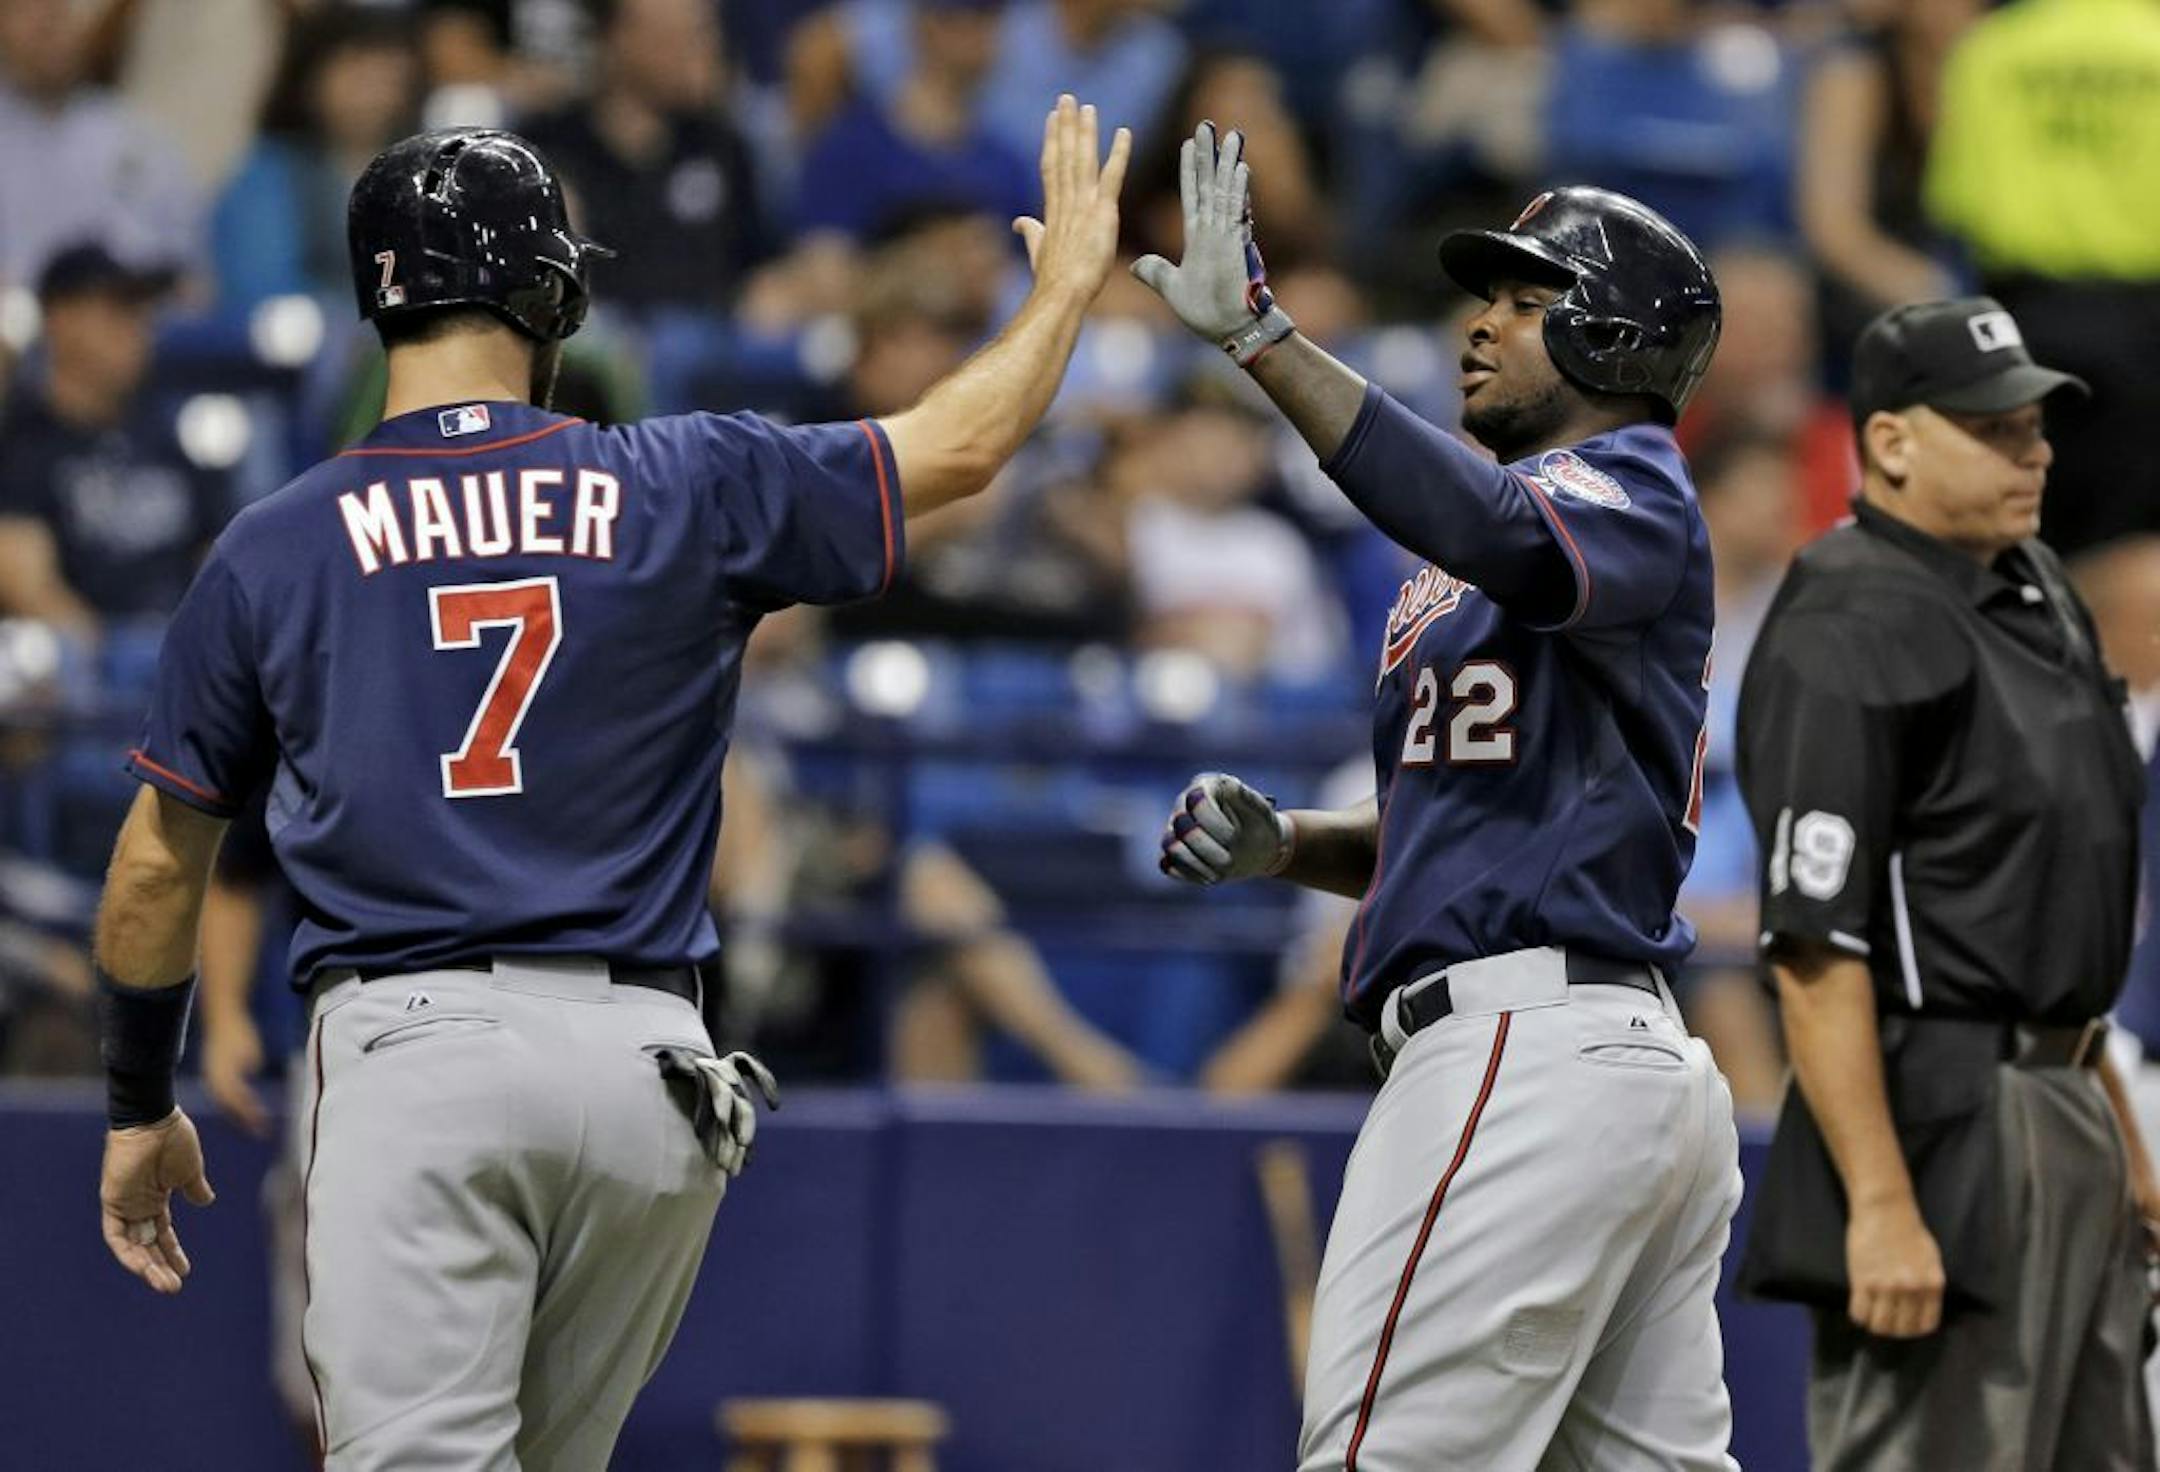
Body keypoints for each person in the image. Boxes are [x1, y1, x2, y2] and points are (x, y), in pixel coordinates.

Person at [90, 102, 1130, 1471]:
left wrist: (134, 1101)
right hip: (651, 1074)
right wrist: (1062, 293)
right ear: (549, 291)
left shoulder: (273, 546)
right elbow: (959, 445)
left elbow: (161, 868)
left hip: (420, 1049)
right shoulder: (682, 476)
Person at [1141, 129, 1739, 1469]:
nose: (1481, 327)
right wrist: (1294, 846)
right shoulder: (1520, 528)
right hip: (1580, 1050)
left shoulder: (1630, 490)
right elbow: (1479, 826)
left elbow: (1494, 529)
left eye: (1529, 305)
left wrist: (1261, 340)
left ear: (1613, 340)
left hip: (1527, 1057)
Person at [1733, 297, 2156, 1470]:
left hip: (2064, 1087)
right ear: (1892, 442)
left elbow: (2052, 909)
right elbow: (1817, 945)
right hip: (1944, 1119)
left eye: (2034, 425)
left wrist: (2119, 1132)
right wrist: (1878, 1200)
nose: (2035, 452)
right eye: (1994, 428)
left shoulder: (2037, 586)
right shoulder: (1852, 612)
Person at [0, 243, 226, 647]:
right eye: (118, 308)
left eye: (141, 310)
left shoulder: (163, 431)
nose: (138, 326)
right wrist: (111, 661)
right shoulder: (25, 440)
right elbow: (23, 580)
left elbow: (218, 552)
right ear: (60, 320)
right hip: (92, 670)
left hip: (181, 644)